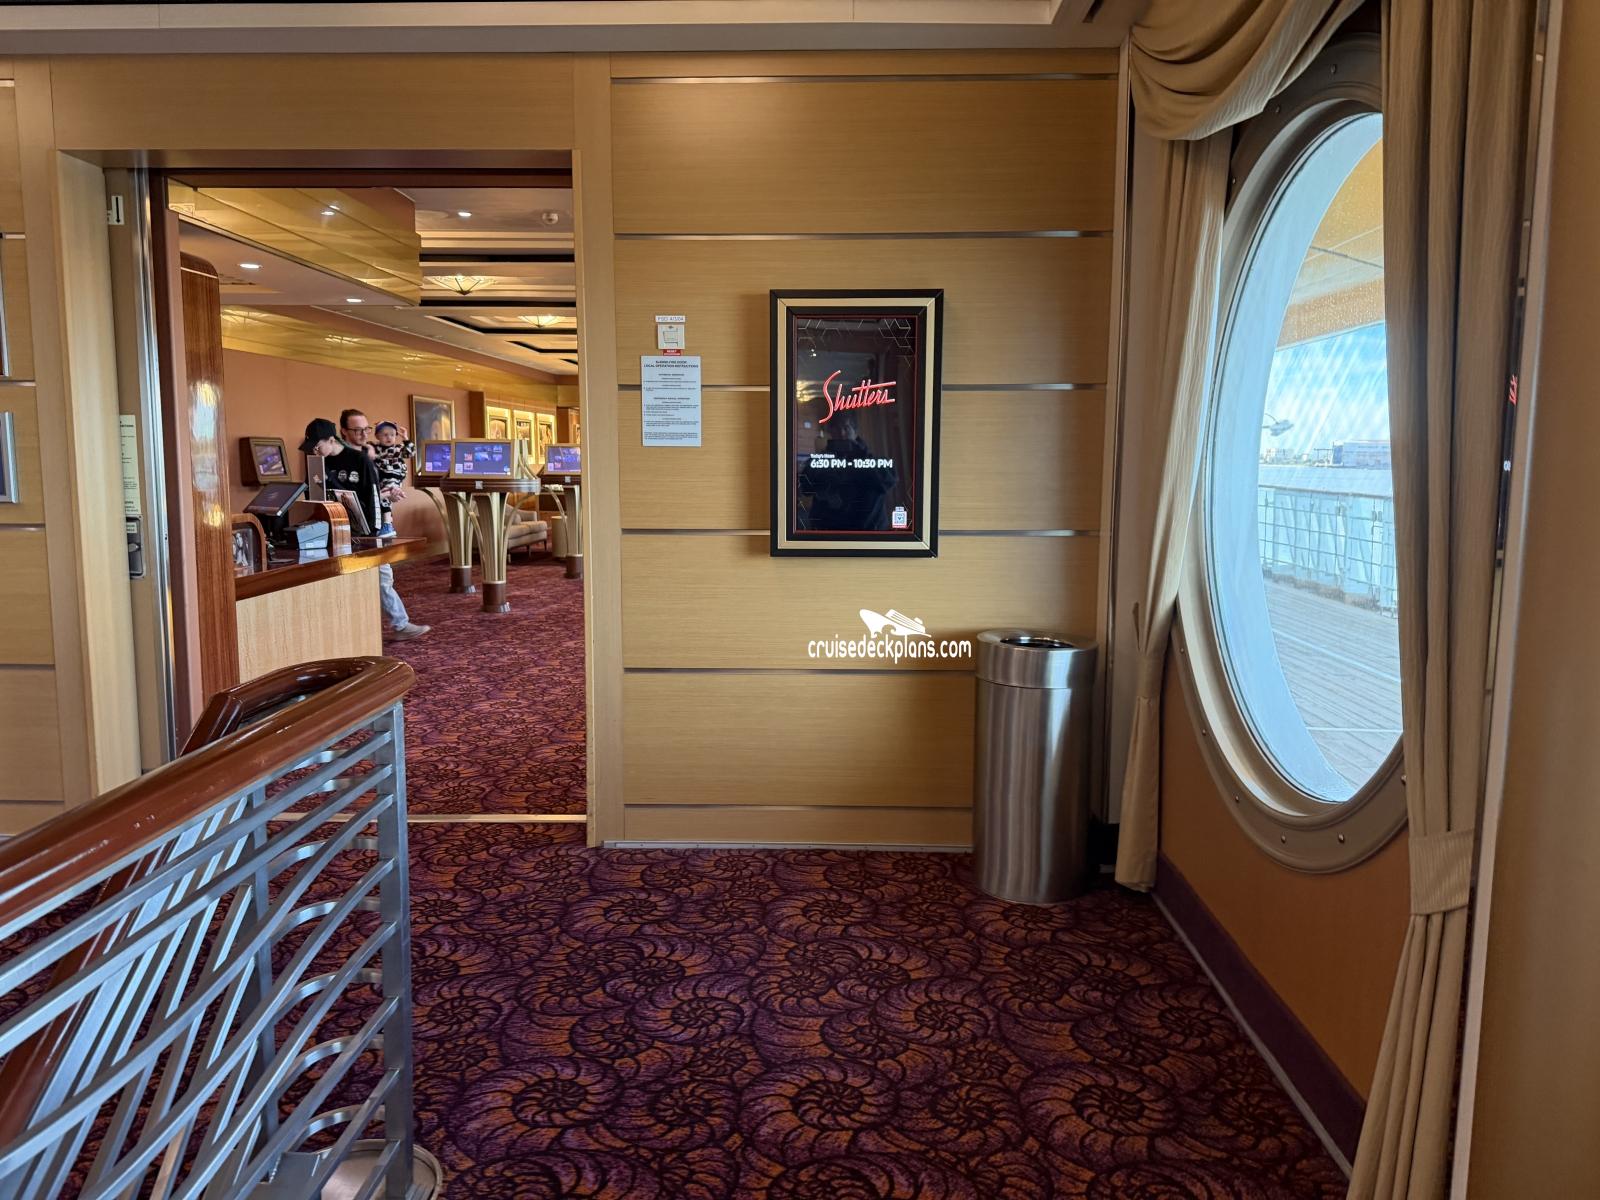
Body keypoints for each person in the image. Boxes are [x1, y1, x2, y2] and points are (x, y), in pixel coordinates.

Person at [299, 416, 429, 642]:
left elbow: (373, 498)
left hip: (368, 531)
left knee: (382, 579)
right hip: (335, 531)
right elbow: (312, 495)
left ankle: (400, 625)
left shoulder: (360, 460)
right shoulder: (318, 463)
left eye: (318, 446)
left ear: (332, 440)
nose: (315, 451)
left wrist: (373, 534)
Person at [370, 420, 415, 538]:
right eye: (385, 435)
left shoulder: (397, 448)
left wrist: (405, 438)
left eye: (392, 435)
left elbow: (410, 453)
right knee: (381, 499)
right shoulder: (375, 448)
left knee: (386, 496)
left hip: (393, 477)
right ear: (377, 436)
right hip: (380, 478)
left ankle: (387, 524)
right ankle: (387, 523)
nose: (389, 437)